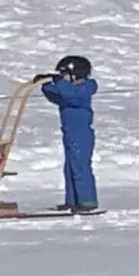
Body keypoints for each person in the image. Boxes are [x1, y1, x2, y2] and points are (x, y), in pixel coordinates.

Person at [34, 55, 98, 213]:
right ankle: (72, 200)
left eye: (65, 74)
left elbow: (71, 94)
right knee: (69, 168)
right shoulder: (68, 90)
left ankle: (87, 200)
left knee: (80, 166)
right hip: (69, 133)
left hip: (81, 134)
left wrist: (59, 81)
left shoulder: (86, 87)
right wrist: (46, 84)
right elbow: (57, 95)